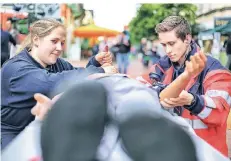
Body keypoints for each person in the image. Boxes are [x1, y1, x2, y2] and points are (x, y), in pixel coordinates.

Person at [2, 54, 230, 161]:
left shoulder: (136, 79)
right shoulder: (96, 79)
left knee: (139, 110)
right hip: (114, 97)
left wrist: (48, 111)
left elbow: (165, 96)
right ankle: (142, 121)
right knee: (140, 111)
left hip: (114, 94)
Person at [1, 18, 117, 149]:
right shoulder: (16, 69)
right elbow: (52, 82)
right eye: (54, 41)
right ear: (36, 40)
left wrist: (94, 63)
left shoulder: (56, 62)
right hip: (13, 133)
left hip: (40, 130)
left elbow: (74, 77)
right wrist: (101, 70)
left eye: (62, 43)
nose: (59, 48)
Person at [141, 16, 231, 157]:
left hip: (206, 153)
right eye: (164, 45)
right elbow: (141, 91)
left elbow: (218, 114)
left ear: (187, 39)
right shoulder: (161, 66)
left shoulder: (215, 69)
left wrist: (192, 101)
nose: (168, 50)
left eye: (172, 43)